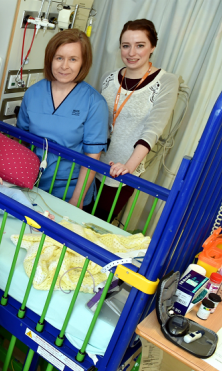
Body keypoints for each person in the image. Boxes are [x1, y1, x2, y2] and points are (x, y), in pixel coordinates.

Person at [94, 19, 179, 221]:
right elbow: (95, 119)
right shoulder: (109, 77)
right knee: (70, 215)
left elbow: (153, 130)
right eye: (126, 46)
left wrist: (128, 167)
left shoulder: (166, 82)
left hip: (122, 169)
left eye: (140, 45)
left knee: (96, 223)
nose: (132, 53)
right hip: (91, 159)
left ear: (152, 47)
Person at [17, 29, 109, 211]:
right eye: (59, 58)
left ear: (83, 63)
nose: (64, 66)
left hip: (69, 192)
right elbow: (21, 140)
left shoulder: (94, 102)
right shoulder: (33, 93)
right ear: (50, 58)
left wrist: (77, 200)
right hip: (30, 182)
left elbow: (93, 156)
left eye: (73, 59)